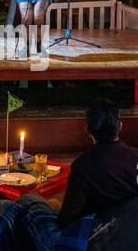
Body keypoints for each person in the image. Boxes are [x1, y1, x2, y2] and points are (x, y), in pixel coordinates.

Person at [59, 98, 138, 228]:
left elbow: (67, 219)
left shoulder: (82, 166)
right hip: (130, 235)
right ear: (120, 125)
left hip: (95, 240)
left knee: (32, 203)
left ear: (88, 130)